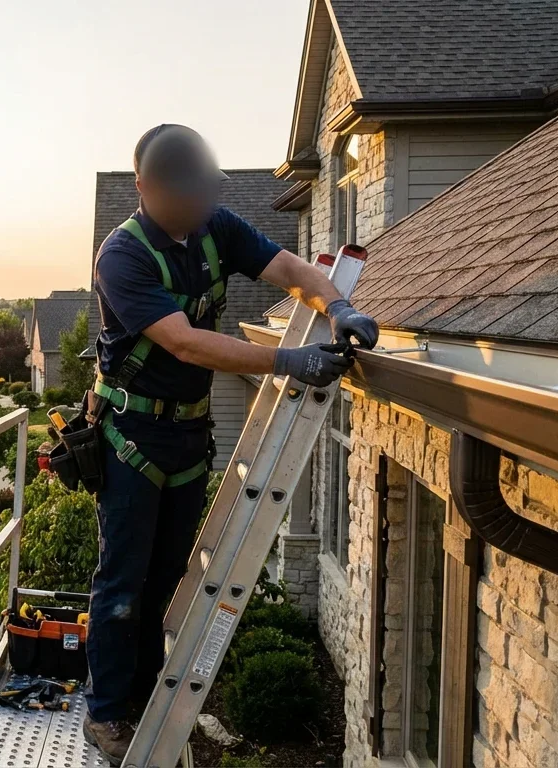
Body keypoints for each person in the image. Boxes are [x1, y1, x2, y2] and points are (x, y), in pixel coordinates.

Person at [82, 124, 379, 762]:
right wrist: (288, 360)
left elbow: (289, 269)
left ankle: (142, 700)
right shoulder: (123, 256)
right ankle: (105, 714)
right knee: (123, 584)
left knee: (166, 577)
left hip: (188, 434)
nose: (201, 206)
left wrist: (336, 307)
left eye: (203, 195)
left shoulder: (217, 229)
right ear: (148, 190)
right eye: (189, 196)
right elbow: (185, 342)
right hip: (132, 434)